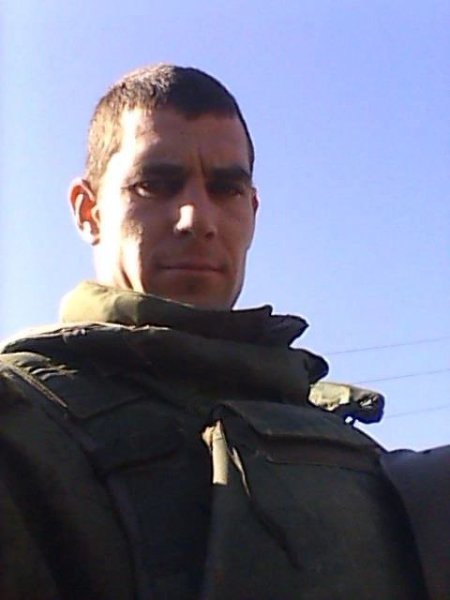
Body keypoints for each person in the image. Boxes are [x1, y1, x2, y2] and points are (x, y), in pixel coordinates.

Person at [0, 65, 428, 599]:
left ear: (252, 211)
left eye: (226, 189)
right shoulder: (22, 422)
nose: (196, 218)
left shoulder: (343, 440)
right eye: (155, 185)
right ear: (89, 211)